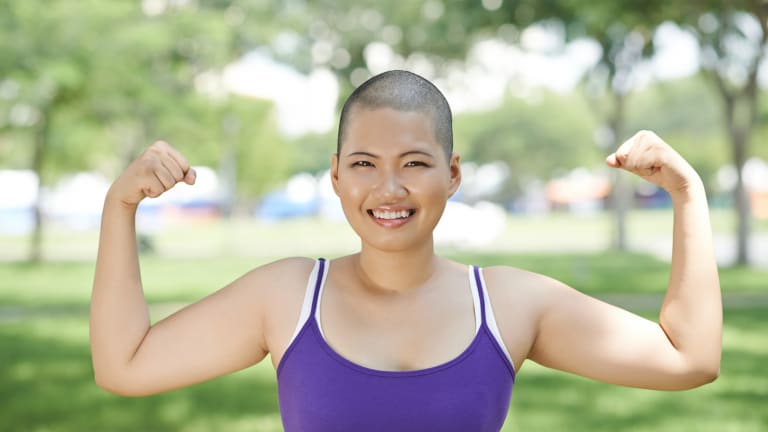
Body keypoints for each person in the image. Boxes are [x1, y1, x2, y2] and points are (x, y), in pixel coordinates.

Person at [90, 70, 721, 431]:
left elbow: (689, 358)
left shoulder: (508, 304)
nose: (388, 189)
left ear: (452, 174)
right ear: (336, 175)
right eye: (364, 163)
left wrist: (687, 194)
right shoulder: (284, 297)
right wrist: (119, 209)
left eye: (414, 164)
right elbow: (125, 366)